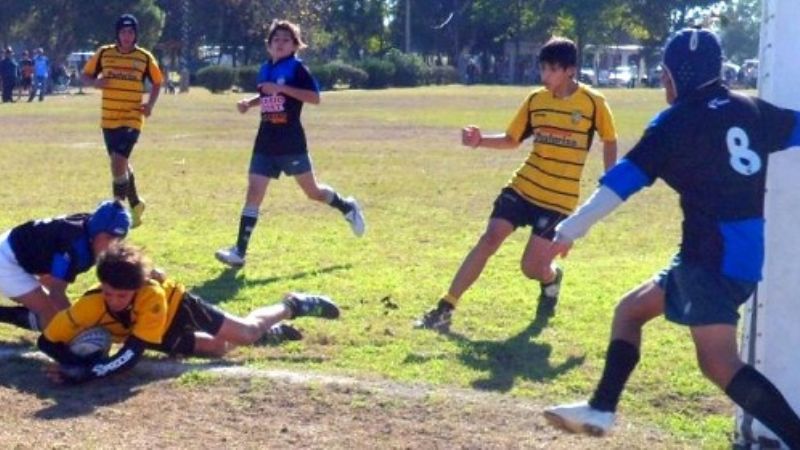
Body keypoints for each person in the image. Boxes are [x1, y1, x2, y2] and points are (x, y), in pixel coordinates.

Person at [541, 29, 800, 447]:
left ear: (677, 74)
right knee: (630, 311)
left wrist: (570, 228)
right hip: (730, 258)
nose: (662, 82)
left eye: (664, 73)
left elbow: (619, 183)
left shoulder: (674, 123)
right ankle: (602, 409)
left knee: (718, 363)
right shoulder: (752, 109)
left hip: (710, 260)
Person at [414, 37, 618, 332]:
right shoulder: (536, 101)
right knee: (490, 238)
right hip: (524, 186)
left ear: (570, 70)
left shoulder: (593, 103)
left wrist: (609, 182)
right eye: (542, 68)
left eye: (551, 69)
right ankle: (445, 307)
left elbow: (609, 139)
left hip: (558, 200)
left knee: (530, 268)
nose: (544, 76)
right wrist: (480, 140)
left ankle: (551, 279)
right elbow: (512, 140)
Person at [38, 242, 341, 384]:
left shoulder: (153, 296)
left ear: (138, 289)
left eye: (122, 295)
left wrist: (86, 373)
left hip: (177, 308)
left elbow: (130, 356)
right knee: (219, 349)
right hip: (148, 330)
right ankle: (270, 335)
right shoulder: (89, 305)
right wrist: (71, 361)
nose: (113, 300)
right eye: (108, 292)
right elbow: (47, 341)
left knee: (246, 333)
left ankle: (293, 305)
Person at [214, 19, 365, 268]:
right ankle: (239, 251)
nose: (280, 43)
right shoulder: (265, 69)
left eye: (286, 40)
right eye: (276, 40)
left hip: (291, 142)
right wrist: (249, 104)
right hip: (265, 140)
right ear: (269, 45)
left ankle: (347, 206)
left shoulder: (297, 69)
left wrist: (283, 90)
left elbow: (315, 98)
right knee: (254, 192)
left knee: (313, 192)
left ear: (295, 45)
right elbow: (267, 95)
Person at [82, 13, 163, 228]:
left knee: (118, 162)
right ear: (117, 34)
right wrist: (95, 84)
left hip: (132, 118)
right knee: (120, 164)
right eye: (123, 32)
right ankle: (136, 204)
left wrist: (150, 105)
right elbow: (85, 76)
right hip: (108, 119)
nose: (127, 36)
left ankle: (117, 212)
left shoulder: (144, 57)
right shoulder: (104, 53)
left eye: (131, 32)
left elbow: (157, 82)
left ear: (136, 34)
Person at [0, 200, 131, 331]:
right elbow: (56, 293)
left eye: (119, 239)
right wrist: (81, 327)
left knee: (60, 317)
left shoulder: (90, 232)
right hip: (7, 260)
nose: (113, 244)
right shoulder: (75, 245)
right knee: (53, 319)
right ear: (96, 231)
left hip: (25, 253)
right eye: (109, 237)